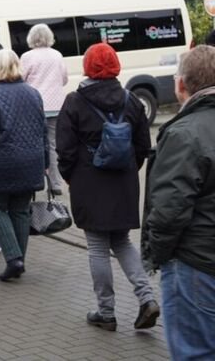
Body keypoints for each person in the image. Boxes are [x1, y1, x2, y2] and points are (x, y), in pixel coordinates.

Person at [55, 43, 157, 332]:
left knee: (98, 246)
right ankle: (147, 297)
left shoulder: (74, 101)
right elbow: (142, 147)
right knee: (122, 241)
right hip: (123, 180)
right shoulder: (132, 101)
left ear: (87, 66)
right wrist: (128, 170)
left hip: (88, 180)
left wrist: (71, 176)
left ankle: (106, 311)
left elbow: (65, 149)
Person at [143, 44, 215, 358]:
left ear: (181, 84)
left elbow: (169, 211)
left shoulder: (184, 134)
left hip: (195, 264)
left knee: (194, 353)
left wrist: (155, 254)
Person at [0, 49, 48, 282]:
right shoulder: (34, 93)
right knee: (20, 209)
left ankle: (13, 258)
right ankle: (20, 259)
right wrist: (45, 162)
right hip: (31, 159)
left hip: (1, 161)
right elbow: (42, 130)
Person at [21, 24, 68, 195]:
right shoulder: (57, 55)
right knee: (53, 144)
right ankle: (56, 184)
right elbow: (64, 79)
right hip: (56, 106)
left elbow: (21, 79)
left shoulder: (27, 57)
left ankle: (36, 181)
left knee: (34, 144)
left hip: (34, 106)